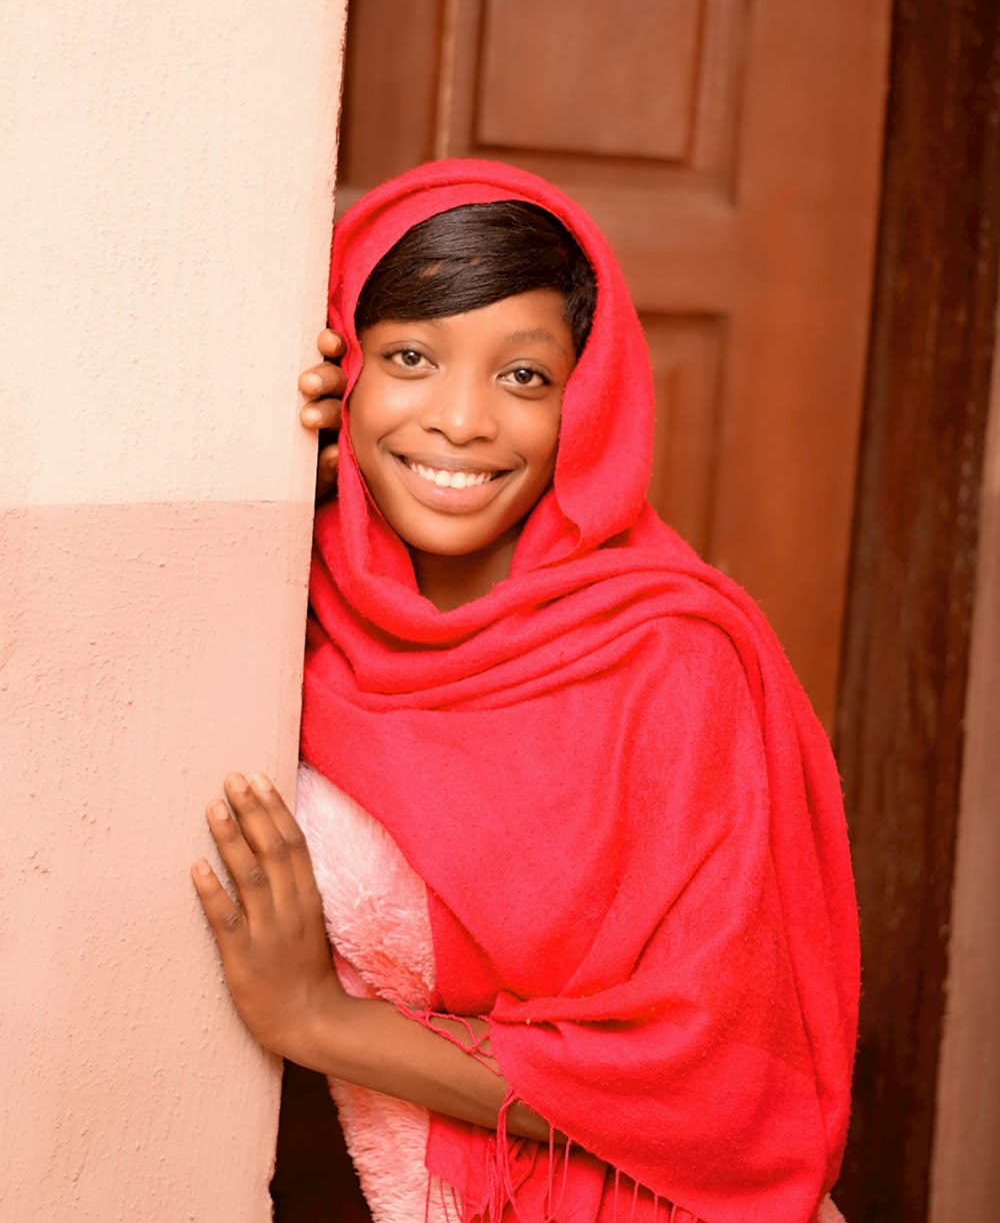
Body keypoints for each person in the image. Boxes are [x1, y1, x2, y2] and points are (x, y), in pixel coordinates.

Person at [192, 159, 858, 1223]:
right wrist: (286, 459)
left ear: (585, 402)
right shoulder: (299, 607)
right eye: (410, 355)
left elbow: (711, 1080)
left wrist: (320, 1021)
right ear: (344, 368)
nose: (460, 419)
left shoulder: (669, 657)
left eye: (523, 376)